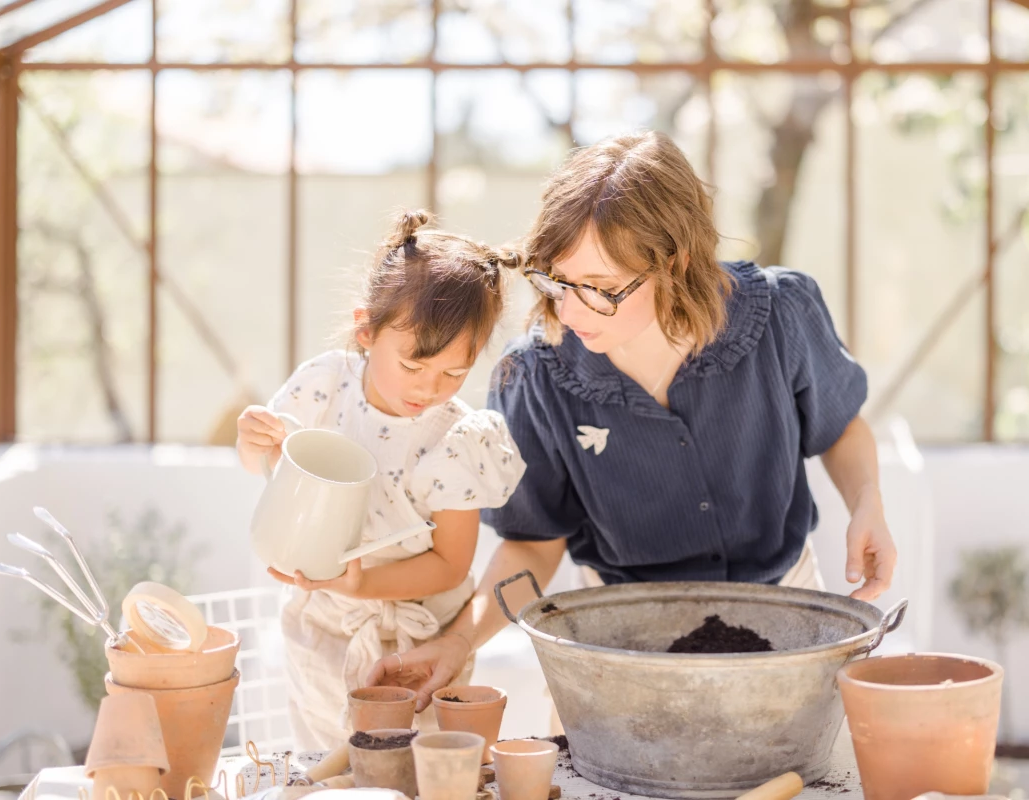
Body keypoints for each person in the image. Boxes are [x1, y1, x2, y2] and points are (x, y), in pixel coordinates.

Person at [366, 132, 897, 716]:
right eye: (559, 281)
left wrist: (867, 500)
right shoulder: (536, 375)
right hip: (618, 644)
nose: (570, 310)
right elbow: (532, 549)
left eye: (604, 290)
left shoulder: (780, 314)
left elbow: (839, 426)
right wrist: (459, 640)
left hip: (788, 624)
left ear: (676, 262)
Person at [235, 210, 526, 750]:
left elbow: (451, 564)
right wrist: (252, 444)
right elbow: (271, 466)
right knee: (329, 768)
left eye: (453, 373)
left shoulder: (456, 439)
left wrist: (363, 584)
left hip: (421, 645)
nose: (429, 388)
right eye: (413, 367)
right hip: (324, 627)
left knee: (421, 772)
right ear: (366, 330)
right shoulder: (324, 386)